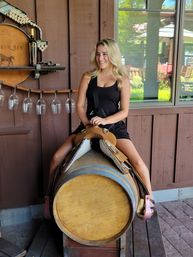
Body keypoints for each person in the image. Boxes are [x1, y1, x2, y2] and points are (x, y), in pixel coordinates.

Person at [45, 38, 154, 219]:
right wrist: (88, 123)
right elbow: (79, 106)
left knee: (138, 164)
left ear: (112, 55)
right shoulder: (88, 77)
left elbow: (124, 111)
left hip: (114, 127)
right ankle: (49, 198)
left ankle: (149, 200)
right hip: (88, 125)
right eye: (98, 54)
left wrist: (104, 121)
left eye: (105, 54)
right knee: (56, 157)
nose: (101, 58)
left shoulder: (122, 79)